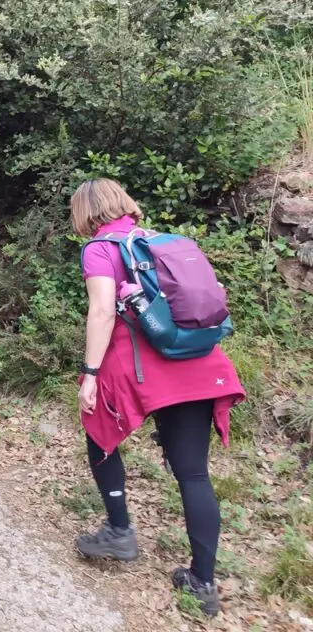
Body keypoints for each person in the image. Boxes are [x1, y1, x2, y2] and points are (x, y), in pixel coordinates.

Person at [70, 178, 246, 617]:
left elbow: (102, 311)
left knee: (99, 433)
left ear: (84, 212)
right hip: (200, 362)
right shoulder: (163, 242)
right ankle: (203, 583)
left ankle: (119, 531)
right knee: (193, 474)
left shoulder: (100, 248)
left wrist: (89, 375)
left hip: (140, 367)